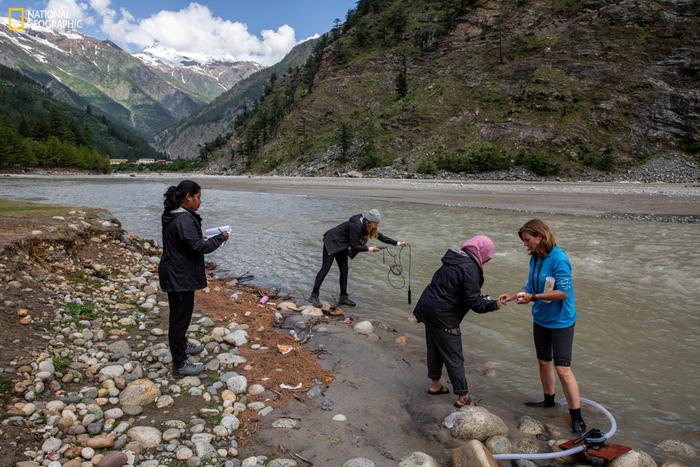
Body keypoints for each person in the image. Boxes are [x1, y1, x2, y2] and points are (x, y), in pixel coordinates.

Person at [498, 219, 586, 434]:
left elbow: (563, 292)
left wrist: (533, 297)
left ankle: (577, 416)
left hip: (561, 321)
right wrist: (512, 295)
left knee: (563, 369)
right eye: (524, 241)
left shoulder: (559, 259)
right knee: (544, 362)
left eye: (527, 240)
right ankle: (548, 400)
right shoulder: (536, 259)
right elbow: (531, 285)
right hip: (541, 318)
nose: (525, 244)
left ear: (540, 237)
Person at [413, 235, 501, 408]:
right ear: (481, 252)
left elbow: (459, 292)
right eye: (488, 258)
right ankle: (463, 396)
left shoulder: (456, 258)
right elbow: (474, 302)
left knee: (435, 349)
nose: (487, 261)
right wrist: (494, 304)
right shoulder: (470, 268)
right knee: (454, 356)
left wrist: (488, 300)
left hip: (427, 307)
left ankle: (435, 385)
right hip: (443, 315)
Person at [158, 180, 229, 379]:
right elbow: (198, 247)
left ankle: (182, 345)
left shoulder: (174, 214)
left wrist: (202, 239)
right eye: (198, 198)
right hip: (179, 276)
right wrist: (220, 238)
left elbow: (189, 243)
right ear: (188, 197)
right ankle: (179, 364)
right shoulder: (184, 219)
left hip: (176, 272)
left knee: (180, 316)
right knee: (180, 319)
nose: (199, 202)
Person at [309, 209, 407, 308]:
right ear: (368, 222)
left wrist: (398, 243)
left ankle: (343, 297)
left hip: (343, 244)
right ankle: (314, 295)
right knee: (325, 268)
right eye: (374, 224)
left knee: (344, 271)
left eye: (377, 223)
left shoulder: (368, 226)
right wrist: (370, 249)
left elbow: (381, 237)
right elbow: (355, 246)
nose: (376, 226)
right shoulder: (356, 226)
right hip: (332, 241)